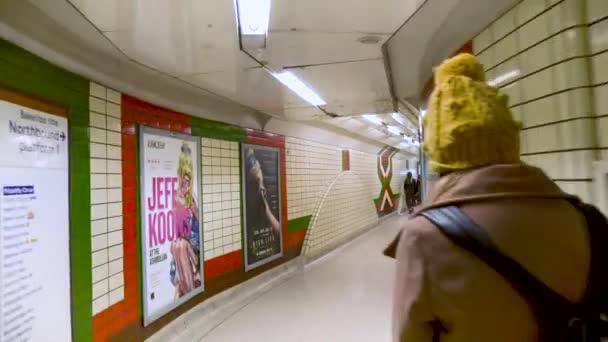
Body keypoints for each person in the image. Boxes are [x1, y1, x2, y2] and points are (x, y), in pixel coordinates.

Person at [392, 53, 591, 341]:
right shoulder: (586, 220)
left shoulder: (423, 237)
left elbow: (409, 336)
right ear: (508, 138)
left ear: (440, 149)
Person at [170, 142, 201, 298]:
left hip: (195, 255)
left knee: (181, 246)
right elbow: (177, 234)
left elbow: (200, 233)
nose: (184, 185)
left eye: (187, 181)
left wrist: (195, 211)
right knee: (177, 245)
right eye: (182, 179)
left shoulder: (193, 201)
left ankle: (190, 289)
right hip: (183, 255)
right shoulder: (176, 200)